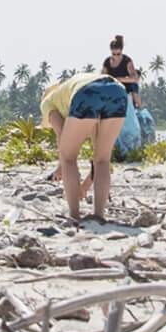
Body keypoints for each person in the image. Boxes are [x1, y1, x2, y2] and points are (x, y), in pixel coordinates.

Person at [40, 68, 129, 222]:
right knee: (102, 160)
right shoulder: (68, 89)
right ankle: (99, 215)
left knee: (68, 158)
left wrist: (61, 166)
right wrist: (84, 186)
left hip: (87, 93)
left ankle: (74, 215)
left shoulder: (47, 103)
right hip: (118, 90)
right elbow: (96, 153)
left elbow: (61, 133)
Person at [101, 35, 142, 103]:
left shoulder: (127, 61)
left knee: (134, 86)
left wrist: (119, 79)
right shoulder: (107, 62)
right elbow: (103, 76)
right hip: (111, 86)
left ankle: (138, 109)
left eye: (118, 54)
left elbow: (135, 79)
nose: (116, 56)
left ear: (121, 51)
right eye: (114, 54)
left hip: (124, 86)